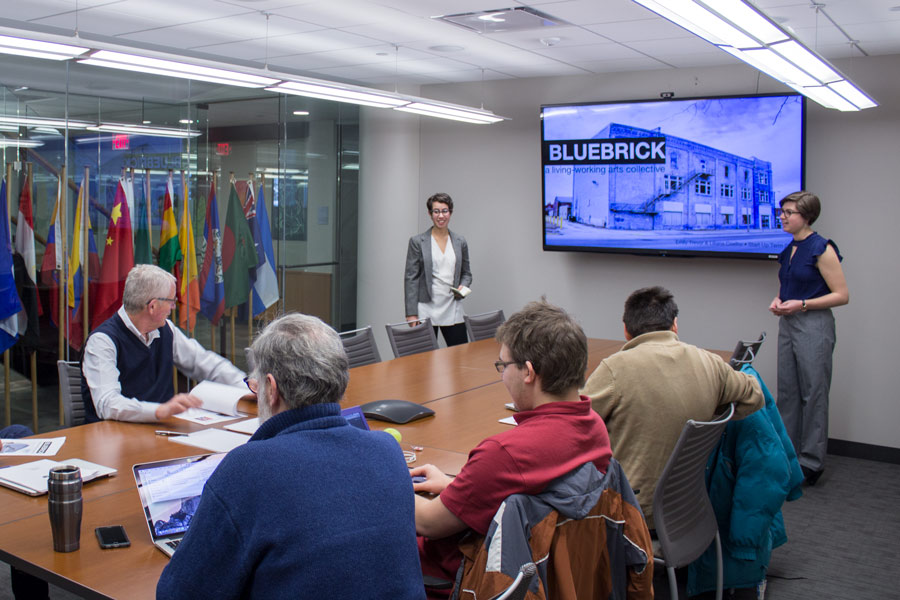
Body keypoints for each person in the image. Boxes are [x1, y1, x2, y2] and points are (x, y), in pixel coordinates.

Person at [157, 313, 425, 599]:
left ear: (271, 389)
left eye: (255, 384)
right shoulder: (386, 450)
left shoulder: (248, 468)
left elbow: (178, 594)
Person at [411, 300, 611, 589]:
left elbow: (428, 522)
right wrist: (458, 490)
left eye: (503, 366)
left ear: (528, 372)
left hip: (467, 577)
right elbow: (532, 494)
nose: (502, 375)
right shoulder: (594, 426)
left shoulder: (505, 453)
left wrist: (383, 478)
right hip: (559, 575)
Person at [582, 286, 763, 529]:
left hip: (632, 509)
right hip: (688, 502)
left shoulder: (616, 369)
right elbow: (755, 395)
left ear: (626, 330)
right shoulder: (710, 362)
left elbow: (572, 426)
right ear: (674, 325)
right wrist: (712, 413)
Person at [81, 264, 247, 423]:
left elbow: (204, 363)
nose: (173, 307)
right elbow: (108, 405)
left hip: (161, 430)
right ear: (152, 306)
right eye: (171, 301)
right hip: (114, 437)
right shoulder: (102, 341)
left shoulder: (165, 329)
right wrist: (159, 411)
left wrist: (248, 387)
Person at [769, 191, 848, 485]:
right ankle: (789, 457)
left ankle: (812, 463)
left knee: (813, 393)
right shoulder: (789, 248)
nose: (783, 217)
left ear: (807, 216)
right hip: (789, 323)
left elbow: (842, 295)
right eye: (783, 211)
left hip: (814, 325)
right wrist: (779, 299)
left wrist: (801, 304)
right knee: (788, 392)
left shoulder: (821, 248)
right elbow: (788, 286)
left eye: (789, 212)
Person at [404, 192, 472, 346]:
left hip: (452, 306)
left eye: (444, 211)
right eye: (436, 211)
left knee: (459, 356)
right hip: (425, 308)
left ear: (450, 213)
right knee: (424, 360)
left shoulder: (460, 241)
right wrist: (411, 313)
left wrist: (464, 286)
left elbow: (467, 273)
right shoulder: (417, 242)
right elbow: (411, 278)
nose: (441, 216)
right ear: (430, 214)